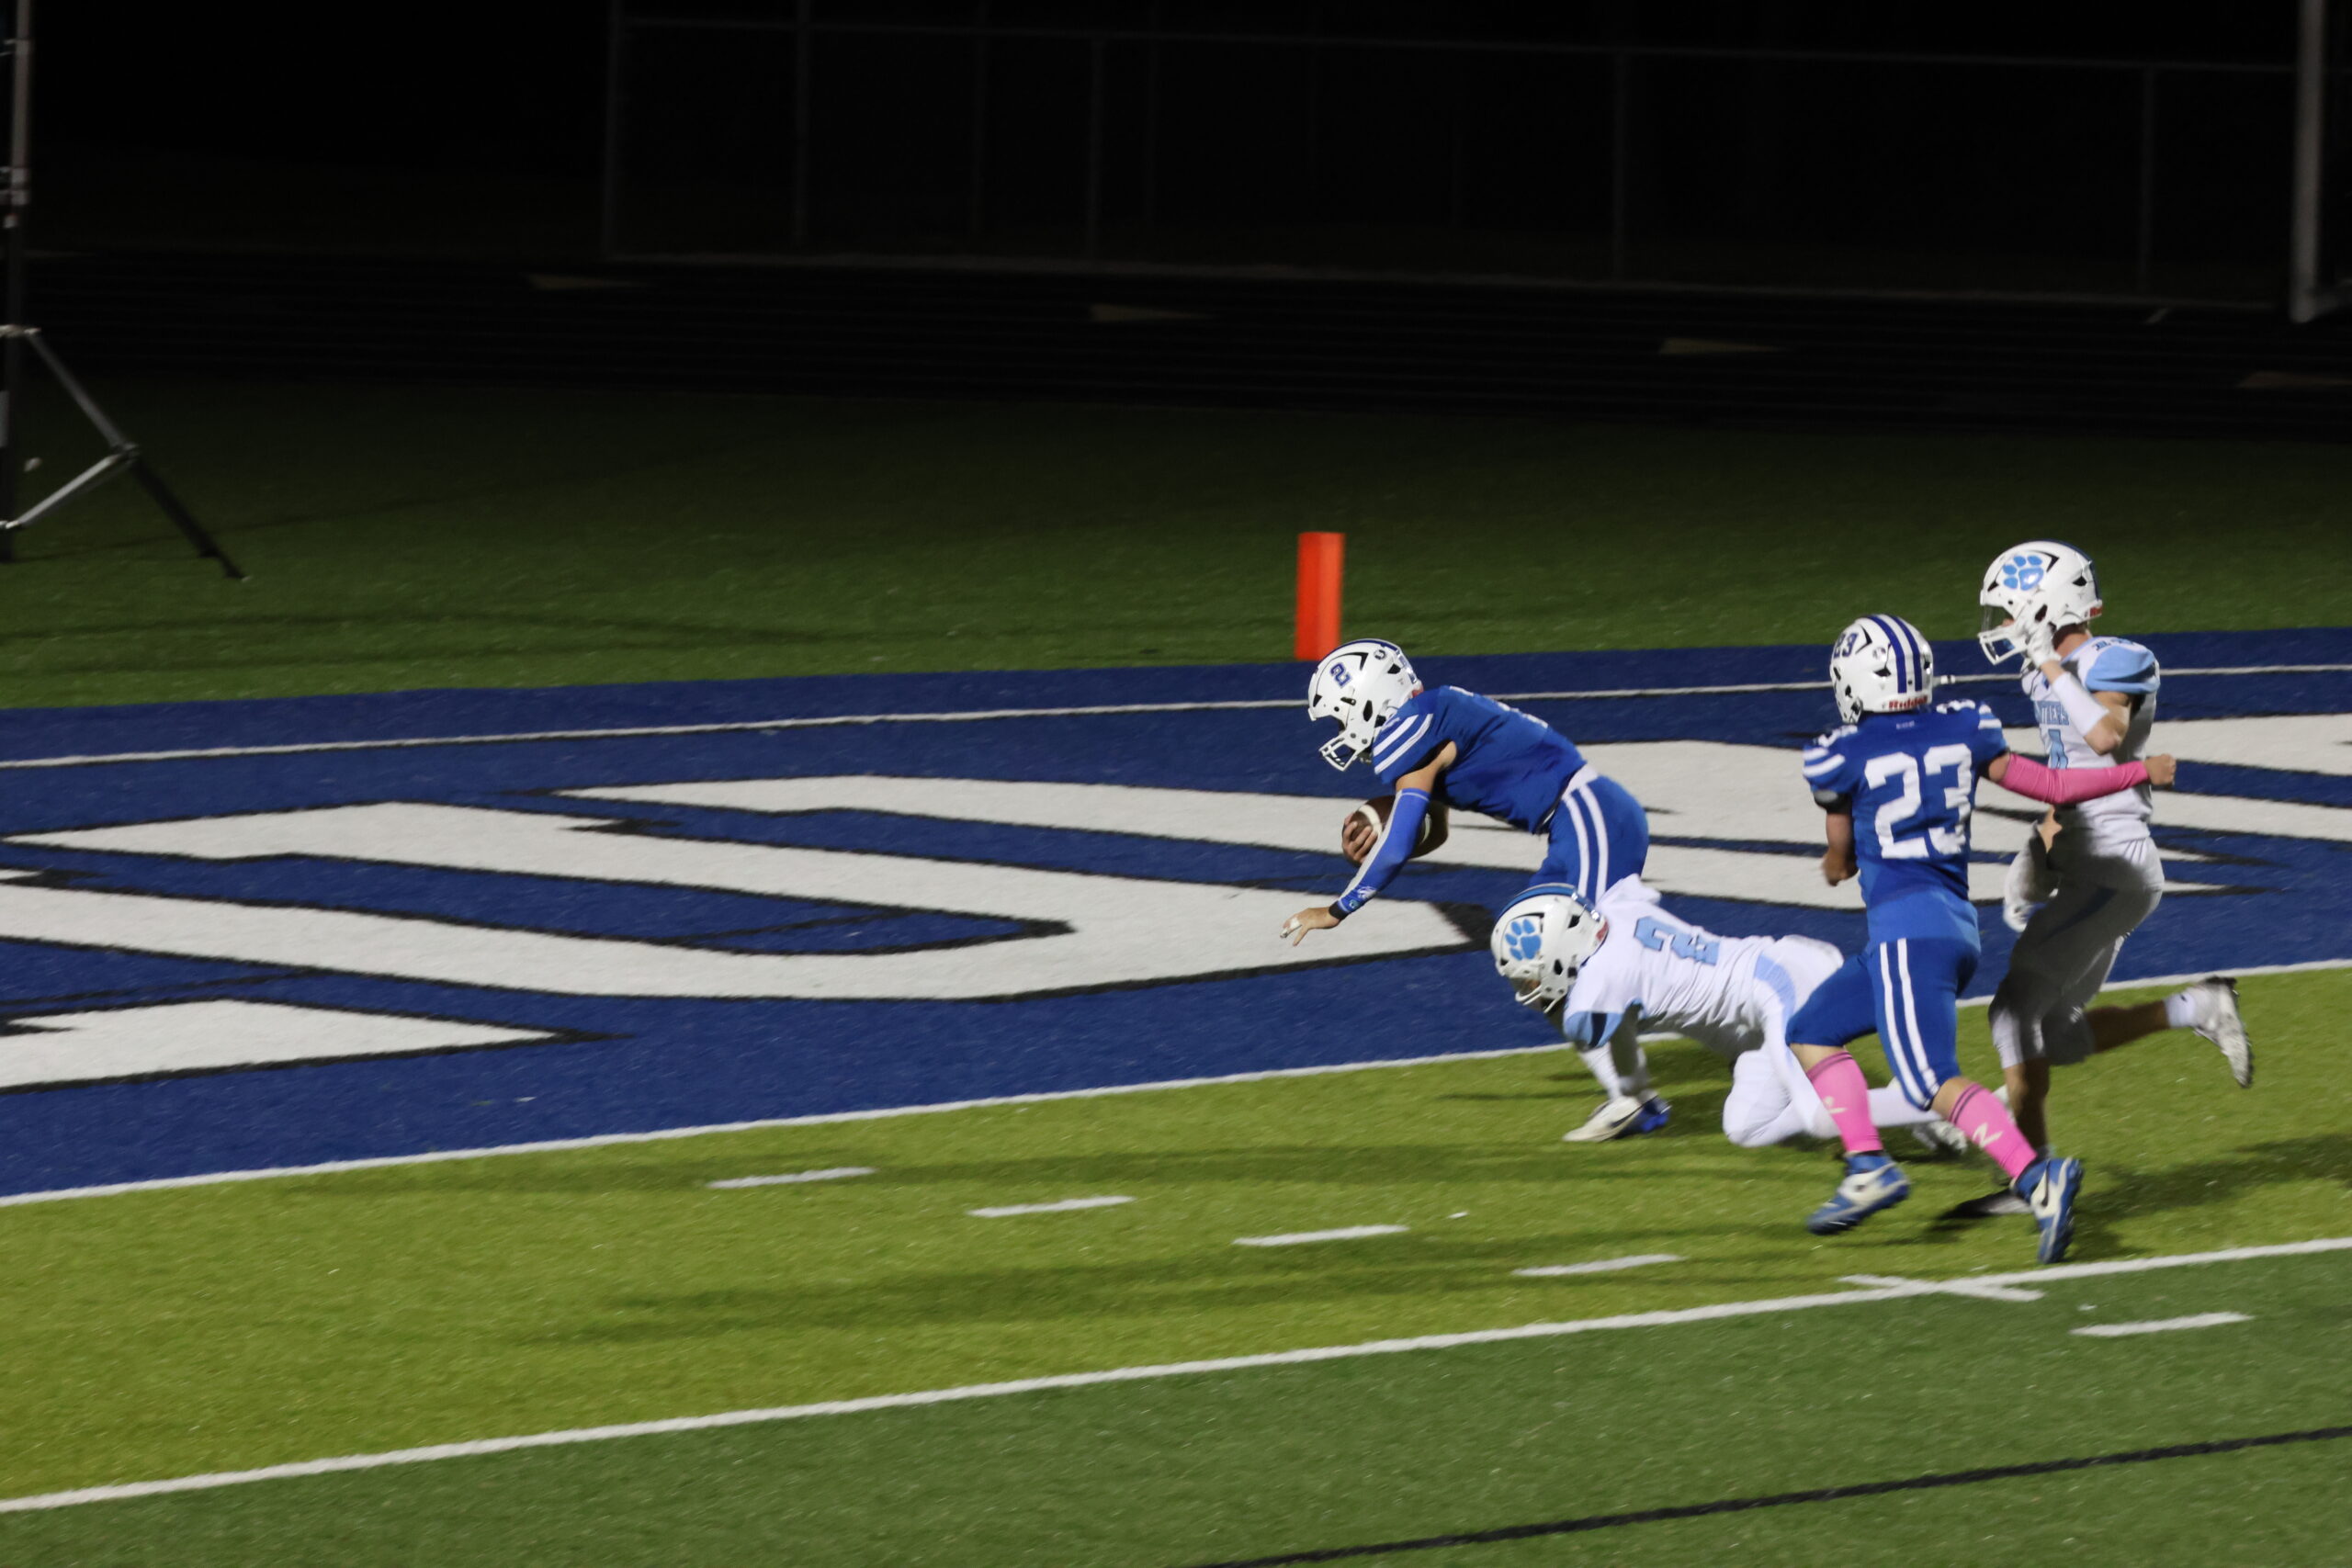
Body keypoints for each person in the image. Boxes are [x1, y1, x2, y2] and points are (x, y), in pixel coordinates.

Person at [1786, 614, 2177, 1264]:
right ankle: (1866, 1163)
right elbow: (2054, 785)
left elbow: (1840, 856)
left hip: (1907, 932)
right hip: (1949, 926)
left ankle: (2035, 1176)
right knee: (1813, 1029)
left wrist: (1836, 864)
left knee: (1928, 1080)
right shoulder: (1965, 724)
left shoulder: (1838, 752)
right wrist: (2134, 773)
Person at [1965, 541, 2251, 1215]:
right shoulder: (2045, 674)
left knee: (2011, 1013)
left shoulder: (2114, 658)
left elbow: (2106, 738)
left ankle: (2033, 1179)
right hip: (2090, 863)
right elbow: (2069, 776)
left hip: (2115, 864)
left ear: (2045, 607)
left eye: (2010, 611)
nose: (2001, 626)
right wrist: (2039, 848)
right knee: (2056, 1034)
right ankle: (2198, 1007)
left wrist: (2049, 662)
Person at [1282, 640, 1654, 1113]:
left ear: (1367, 704)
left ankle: (1681, 1054)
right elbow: (1433, 834)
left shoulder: (1415, 727)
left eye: (1340, 719)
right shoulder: (1431, 715)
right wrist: (1389, 836)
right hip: (1580, 823)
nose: (1341, 733)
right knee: (1528, 954)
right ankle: (1634, 1094)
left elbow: (1397, 846)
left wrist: (1337, 909)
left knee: (1573, 957)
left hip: (1589, 818)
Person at [1487, 876, 1971, 1153]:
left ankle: (1944, 1104)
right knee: (1746, 1128)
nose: (1527, 988)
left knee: (1821, 1118)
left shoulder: (1600, 980)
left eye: (1528, 976)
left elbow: (1603, 1036)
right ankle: (1901, 1103)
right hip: (1758, 1008)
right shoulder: (1616, 908)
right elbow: (1633, 889)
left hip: (1779, 985)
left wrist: (1633, 1094)